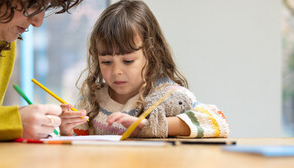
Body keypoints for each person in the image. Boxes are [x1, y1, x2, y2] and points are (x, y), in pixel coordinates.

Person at [59, 0, 230, 138]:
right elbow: (79, 142)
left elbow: (218, 122)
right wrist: (67, 131)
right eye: (106, 61)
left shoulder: (169, 95)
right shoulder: (92, 99)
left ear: (152, 52)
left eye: (127, 61)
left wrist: (150, 126)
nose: (116, 71)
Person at [0, 0, 84, 142]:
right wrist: (10, 122)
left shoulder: (3, 40)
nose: (38, 22)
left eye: (44, 7)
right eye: (33, 5)